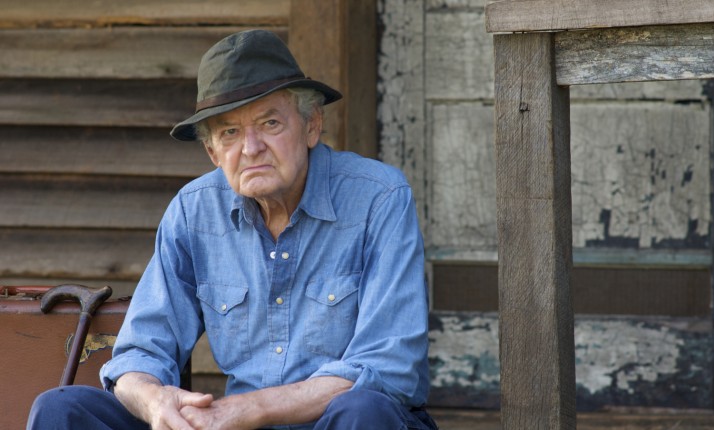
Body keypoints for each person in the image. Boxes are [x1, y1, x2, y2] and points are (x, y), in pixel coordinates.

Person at [27, 29, 436, 430]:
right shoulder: (193, 210)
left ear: (312, 125)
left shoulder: (379, 197)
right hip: (232, 424)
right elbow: (140, 353)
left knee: (364, 411)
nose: (251, 148)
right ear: (212, 152)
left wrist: (249, 409)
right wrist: (156, 401)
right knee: (62, 410)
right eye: (230, 133)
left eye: (270, 123)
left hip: (337, 421)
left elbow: (389, 366)